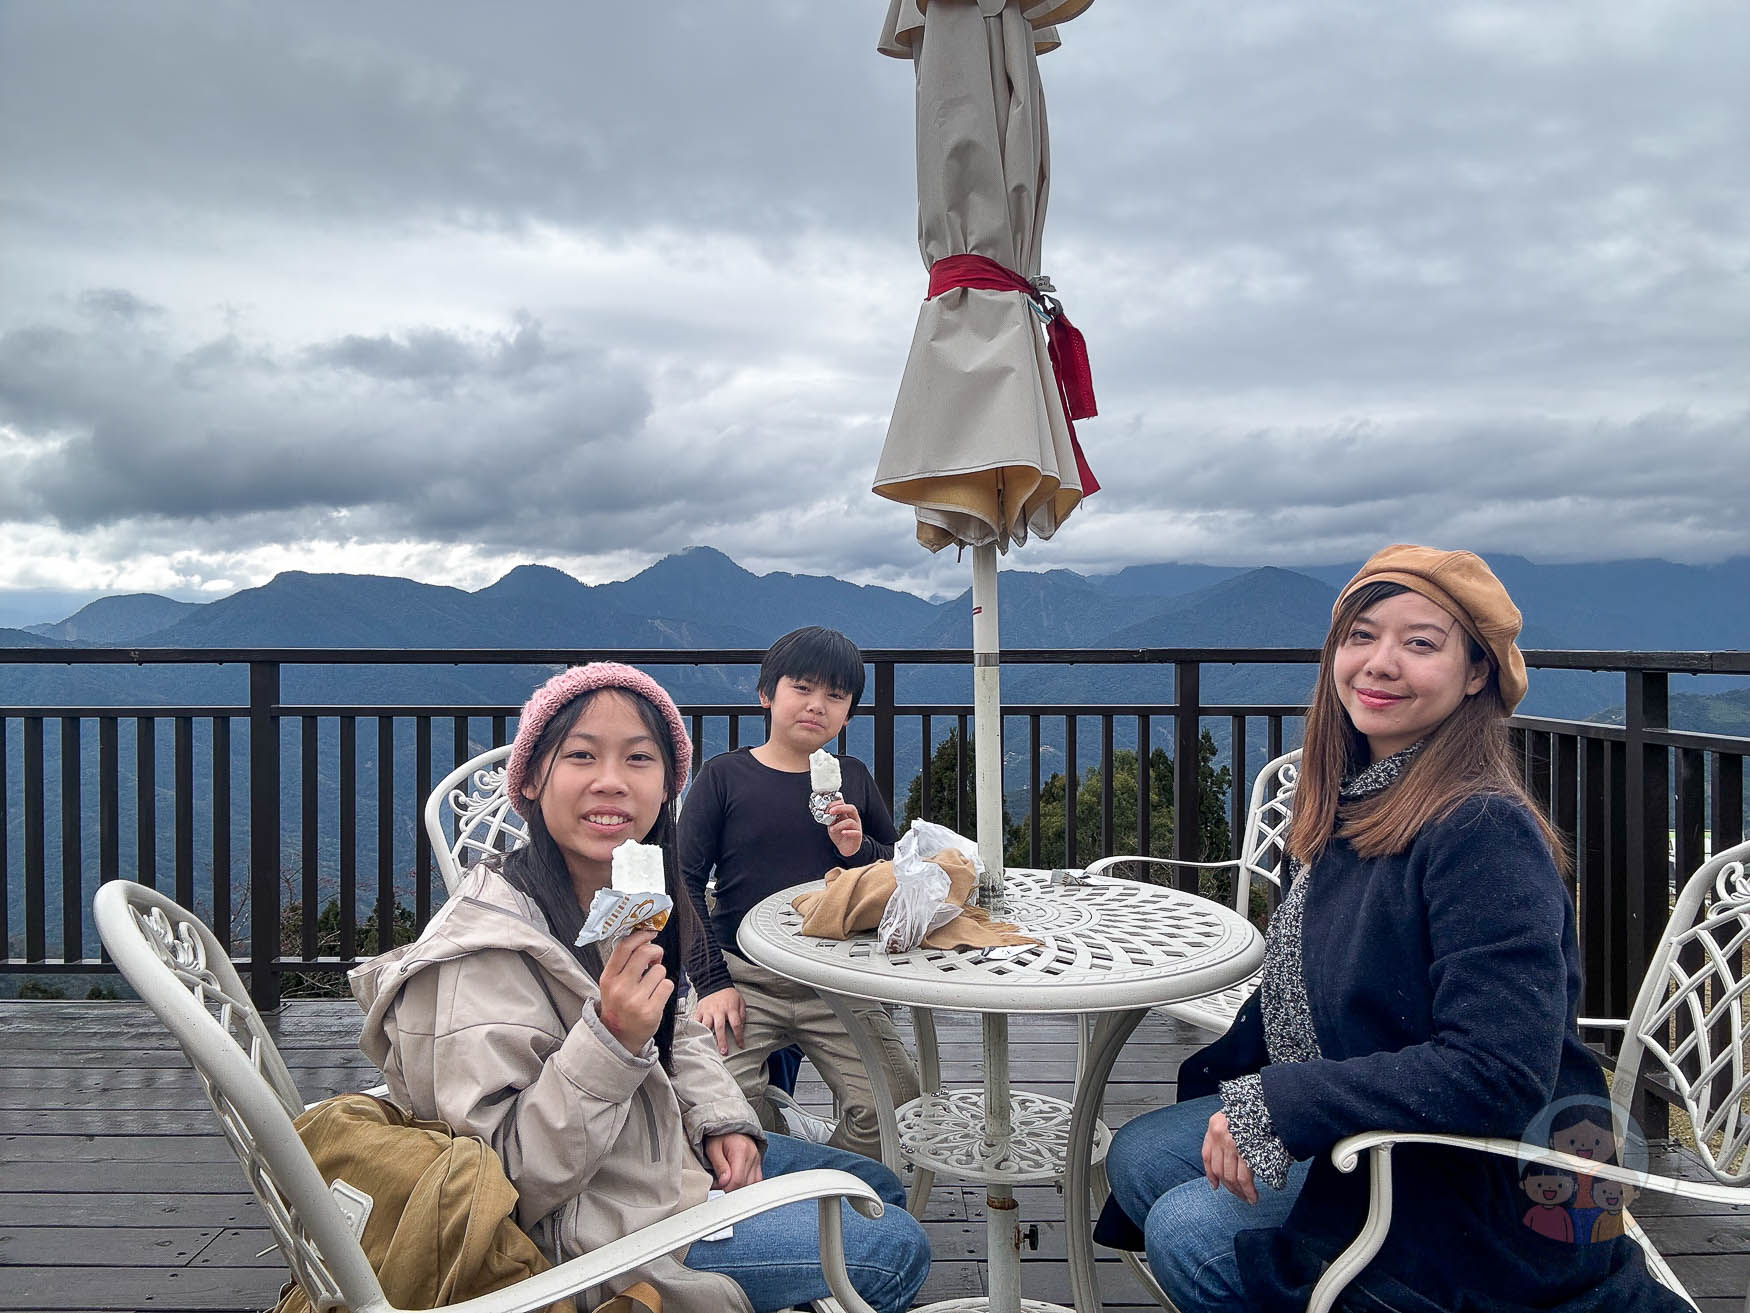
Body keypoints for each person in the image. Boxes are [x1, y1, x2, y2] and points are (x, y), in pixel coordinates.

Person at [1096, 545, 1683, 1313]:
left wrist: (1280, 1101)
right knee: (1139, 1155)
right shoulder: (1355, 799)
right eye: (1361, 635)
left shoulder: (1480, 828)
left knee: (1187, 1227)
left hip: (1489, 1181)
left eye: (1420, 642)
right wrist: (1260, 1093)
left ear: (1477, 673)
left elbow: (1501, 1071)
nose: (1379, 663)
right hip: (1387, 1129)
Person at [351, 663, 931, 1313]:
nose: (611, 779)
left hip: (657, 1155)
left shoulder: (610, 898)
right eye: (580, 754)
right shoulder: (478, 959)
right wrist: (612, 1037)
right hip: (588, 1238)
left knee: (875, 1183)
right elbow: (506, 1183)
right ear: (533, 779)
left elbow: (676, 1023)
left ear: (664, 787)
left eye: (638, 758)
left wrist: (723, 1118)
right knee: (895, 1245)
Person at [682, 626, 921, 1159]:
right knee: (713, 1107)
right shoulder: (724, 777)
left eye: (835, 696)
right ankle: (779, 1169)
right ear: (767, 694)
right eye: (803, 688)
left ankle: (839, 1199)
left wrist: (858, 850)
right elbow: (685, 880)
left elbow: (897, 869)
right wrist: (713, 982)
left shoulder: (853, 778)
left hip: (838, 976)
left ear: (849, 712)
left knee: (896, 1104)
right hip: (744, 977)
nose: (817, 706)